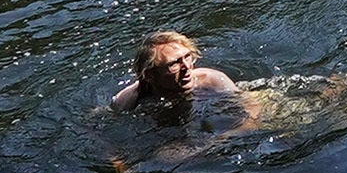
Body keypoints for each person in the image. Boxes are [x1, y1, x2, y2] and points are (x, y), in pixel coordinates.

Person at [109, 29, 254, 131]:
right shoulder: (131, 98)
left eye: (187, 57)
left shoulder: (211, 80)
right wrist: (117, 160)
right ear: (150, 75)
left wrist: (223, 139)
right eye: (174, 64)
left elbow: (254, 111)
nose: (187, 67)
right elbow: (96, 127)